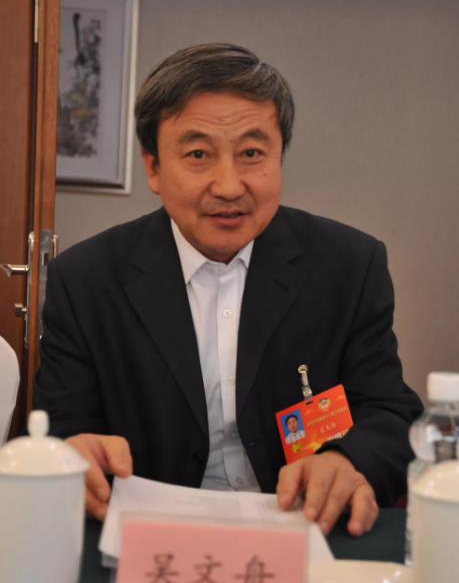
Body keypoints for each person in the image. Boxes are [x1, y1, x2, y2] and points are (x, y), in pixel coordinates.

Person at [34, 43, 423, 537]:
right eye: (198, 154)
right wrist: (71, 455)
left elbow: (390, 412)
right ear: (153, 167)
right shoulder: (86, 280)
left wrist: (347, 459)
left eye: (252, 154)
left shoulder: (349, 265)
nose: (229, 186)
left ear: (279, 156)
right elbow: (61, 429)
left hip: (302, 525)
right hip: (150, 533)